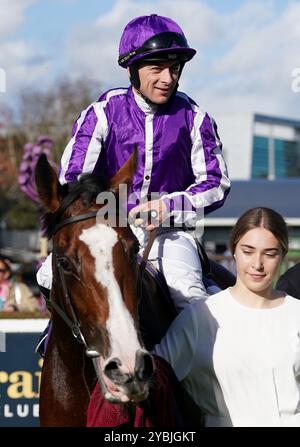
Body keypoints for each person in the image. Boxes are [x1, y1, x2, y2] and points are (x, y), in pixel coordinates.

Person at [37, 14, 230, 313]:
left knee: (191, 301)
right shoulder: (101, 113)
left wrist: (168, 207)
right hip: (105, 228)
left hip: (170, 233)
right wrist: (112, 212)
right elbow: (73, 178)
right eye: (157, 68)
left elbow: (216, 185)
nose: (168, 78)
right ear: (132, 69)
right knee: (47, 275)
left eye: (174, 68)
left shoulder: (196, 118)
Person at [154, 207, 300, 427]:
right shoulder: (201, 317)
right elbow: (150, 378)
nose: (257, 264)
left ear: (282, 255)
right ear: (234, 249)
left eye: (270, 253)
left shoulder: (296, 314)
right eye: (248, 251)